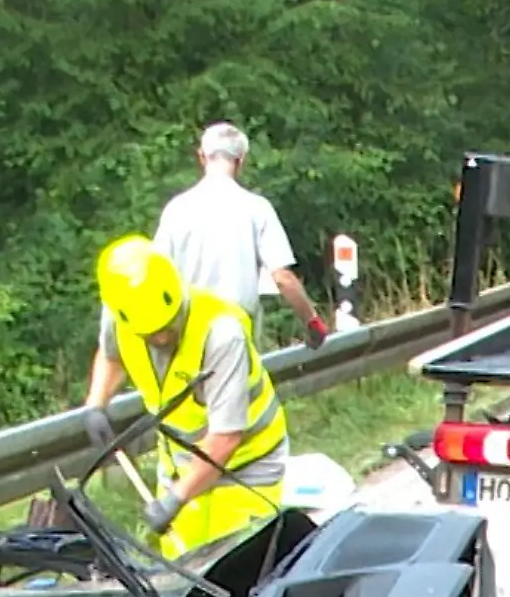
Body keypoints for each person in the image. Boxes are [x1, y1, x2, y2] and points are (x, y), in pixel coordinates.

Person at [83, 235, 288, 558]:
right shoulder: (122, 315)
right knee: (184, 576)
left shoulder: (221, 334)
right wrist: (96, 404)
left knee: (237, 569)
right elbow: (111, 356)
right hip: (182, 462)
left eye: (168, 325)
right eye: (152, 334)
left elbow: (226, 438)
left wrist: (174, 499)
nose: (162, 336)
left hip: (246, 468)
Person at [154, 121, 328, 349]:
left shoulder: (176, 209)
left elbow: (156, 273)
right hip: (234, 336)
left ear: (202, 157)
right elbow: (283, 278)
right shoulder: (256, 208)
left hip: (185, 339)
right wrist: (312, 322)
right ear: (241, 160)